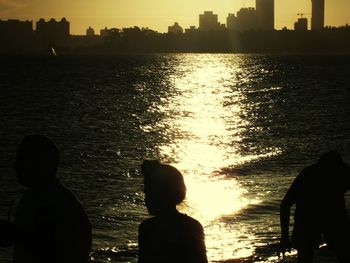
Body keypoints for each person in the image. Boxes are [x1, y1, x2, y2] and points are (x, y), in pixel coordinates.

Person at [0, 135, 92, 263]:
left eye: (22, 160)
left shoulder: (50, 203)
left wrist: (16, 234)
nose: (15, 166)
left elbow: (48, 252)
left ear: (37, 164)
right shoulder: (36, 197)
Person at [280, 151, 350, 263]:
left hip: (333, 214)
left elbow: (285, 205)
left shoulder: (344, 172)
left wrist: (284, 237)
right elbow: (285, 204)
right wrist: (284, 237)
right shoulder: (308, 174)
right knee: (306, 255)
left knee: (343, 252)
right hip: (308, 215)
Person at [138, 160, 208, 263]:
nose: (146, 199)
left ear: (162, 195)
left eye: (149, 193)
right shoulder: (193, 225)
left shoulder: (148, 228)